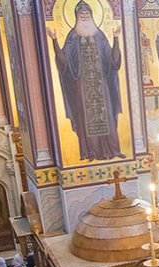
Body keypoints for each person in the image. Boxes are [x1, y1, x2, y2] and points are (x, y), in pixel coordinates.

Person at [45, 0, 125, 161]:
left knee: (107, 116)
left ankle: (113, 150)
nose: (85, 16)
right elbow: (64, 63)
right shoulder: (73, 36)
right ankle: (90, 152)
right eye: (81, 14)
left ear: (92, 15)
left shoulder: (100, 35)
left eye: (87, 14)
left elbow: (112, 61)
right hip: (81, 86)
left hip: (102, 86)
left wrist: (116, 39)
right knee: (86, 119)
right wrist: (54, 41)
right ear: (76, 17)